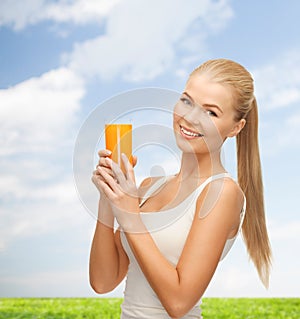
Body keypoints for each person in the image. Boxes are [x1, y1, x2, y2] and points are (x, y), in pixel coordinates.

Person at [90, 58, 272, 319]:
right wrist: (109, 198)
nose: (190, 118)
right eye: (187, 101)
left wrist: (130, 215)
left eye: (210, 112)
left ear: (235, 127)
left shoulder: (221, 193)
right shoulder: (149, 187)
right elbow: (103, 281)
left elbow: (179, 303)